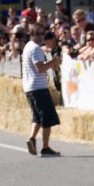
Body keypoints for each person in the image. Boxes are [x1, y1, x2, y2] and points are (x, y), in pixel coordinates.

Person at [19, 25, 61, 157]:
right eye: (38, 34)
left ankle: (31, 138)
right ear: (32, 34)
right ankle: (45, 146)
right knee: (47, 118)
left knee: (37, 117)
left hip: (30, 87)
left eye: (43, 33)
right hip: (38, 87)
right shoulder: (35, 48)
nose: (41, 36)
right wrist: (53, 62)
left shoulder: (28, 46)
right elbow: (40, 68)